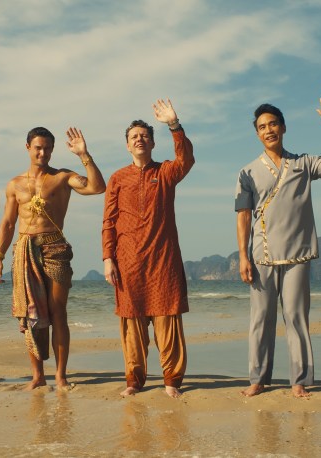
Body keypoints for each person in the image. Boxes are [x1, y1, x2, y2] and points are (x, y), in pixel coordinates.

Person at [235, 95, 321, 398]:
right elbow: (243, 217)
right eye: (262, 127)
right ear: (257, 133)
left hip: (299, 254)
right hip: (261, 255)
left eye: (273, 124)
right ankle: (258, 379)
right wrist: (243, 257)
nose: (268, 130)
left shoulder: (304, 163)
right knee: (260, 320)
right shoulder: (247, 172)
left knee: (296, 318)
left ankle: (299, 380)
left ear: (283, 127)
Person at [0, 126, 106, 391]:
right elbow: (8, 223)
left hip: (55, 248)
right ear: (28, 148)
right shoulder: (14, 184)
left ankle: (61, 376)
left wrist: (84, 155)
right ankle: (37, 376)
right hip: (24, 250)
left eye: (48, 148)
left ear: (53, 150)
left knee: (58, 314)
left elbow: (97, 188)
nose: (43, 152)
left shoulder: (63, 177)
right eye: (38, 147)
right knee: (30, 315)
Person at [102, 99, 194, 398]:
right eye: (133, 137)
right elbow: (109, 222)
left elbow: (186, 161)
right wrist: (108, 258)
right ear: (127, 146)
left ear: (153, 142)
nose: (139, 139)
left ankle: (171, 381)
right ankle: (134, 380)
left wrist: (174, 126)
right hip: (127, 262)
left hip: (163, 261)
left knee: (168, 321)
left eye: (144, 136)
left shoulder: (166, 172)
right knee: (131, 324)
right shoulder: (117, 178)